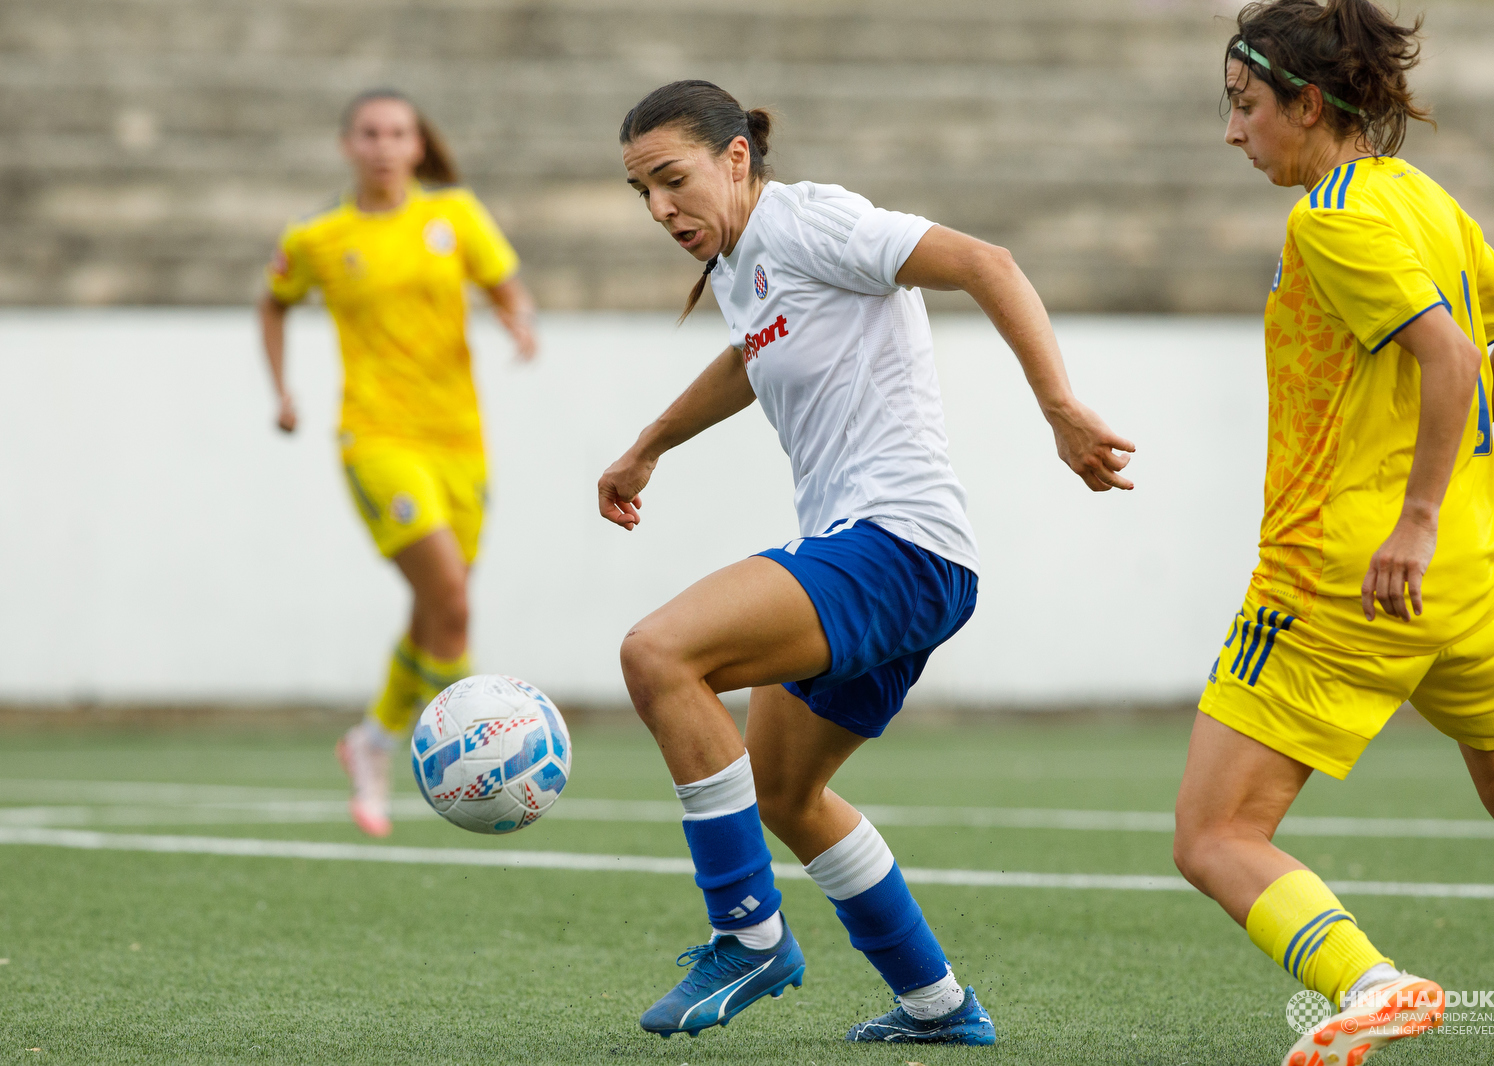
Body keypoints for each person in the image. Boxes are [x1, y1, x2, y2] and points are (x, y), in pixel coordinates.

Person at [599, 79, 1135, 1045]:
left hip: (895, 544)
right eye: (642, 192)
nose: (659, 209)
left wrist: (1060, 406)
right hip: (899, 560)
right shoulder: (739, 264)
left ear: (735, 158)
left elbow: (986, 262)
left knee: (658, 654)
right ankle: (938, 1007)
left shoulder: (810, 221)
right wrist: (648, 446)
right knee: (783, 794)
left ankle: (749, 938)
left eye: (672, 180)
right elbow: (749, 357)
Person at [1171, 3, 1494, 1063]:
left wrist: (1403, 514)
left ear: (1307, 105)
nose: (1234, 133)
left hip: (1344, 578)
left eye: (1244, 106)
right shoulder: (1424, 201)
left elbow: (1455, 361)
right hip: (1467, 579)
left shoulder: (1330, 217)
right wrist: (1435, 489)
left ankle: (1372, 985)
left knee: (1215, 833)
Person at [258, 89, 538, 837]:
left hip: (459, 441)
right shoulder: (319, 237)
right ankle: (483, 738)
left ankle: (372, 740)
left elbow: (506, 285)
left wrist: (520, 322)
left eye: (398, 133)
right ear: (348, 144)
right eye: (369, 133)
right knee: (452, 598)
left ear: (418, 146)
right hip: (376, 439)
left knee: (435, 609)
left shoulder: (455, 217)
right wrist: (283, 390)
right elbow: (274, 301)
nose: (384, 145)